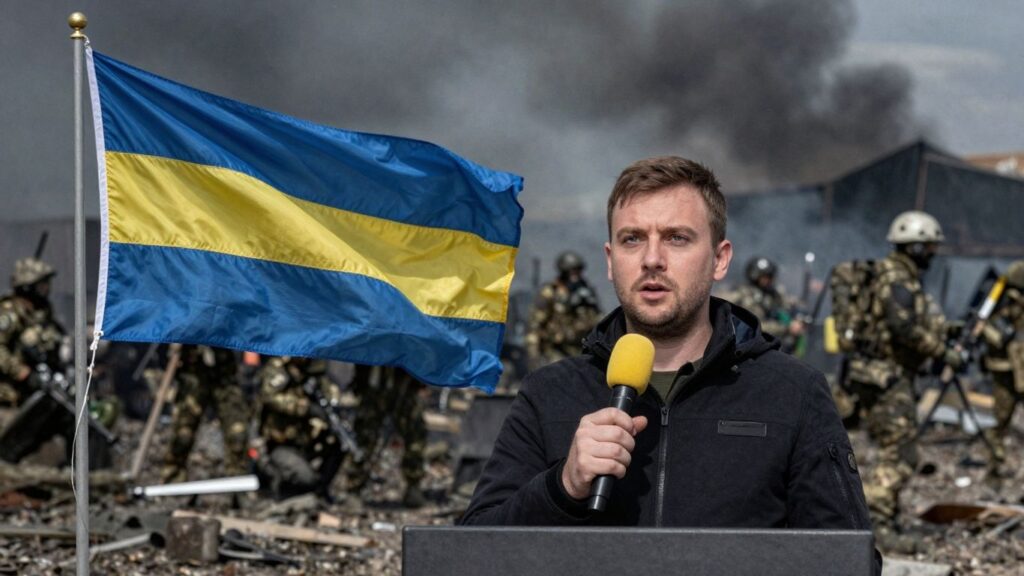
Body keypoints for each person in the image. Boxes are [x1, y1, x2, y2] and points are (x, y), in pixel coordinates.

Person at [460, 156, 876, 570]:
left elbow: (850, 562)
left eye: (677, 238)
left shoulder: (793, 393)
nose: (652, 259)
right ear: (609, 260)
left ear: (720, 258)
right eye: (632, 239)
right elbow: (468, 556)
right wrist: (561, 486)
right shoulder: (548, 394)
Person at [839, 210, 962, 550]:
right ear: (916, 248)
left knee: (891, 450)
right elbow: (902, 327)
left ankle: (881, 520)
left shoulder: (893, 275)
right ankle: (877, 529)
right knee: (901, 454)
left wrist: (945, 331)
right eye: (929, 247)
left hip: (876, 374)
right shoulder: (897, 279)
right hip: (886, 376)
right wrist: (942, 351)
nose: (933, 254)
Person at [254, 356, 345, 500]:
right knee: (306, 478)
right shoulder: (280, 365)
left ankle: (319, 491)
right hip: (280, 443)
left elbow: (329, 389)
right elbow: (269, 396)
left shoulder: (314, 368)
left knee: (339, 443)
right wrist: (305, 408)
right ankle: (276, 485)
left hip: (306, 442)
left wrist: (329, 411)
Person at [161, 345, 249, 483]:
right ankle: (172, 478)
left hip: (223, 375)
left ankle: (239, 481)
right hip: (195, 375)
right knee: (183, 434)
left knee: (237, 433)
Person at [346, 364, 427, 508]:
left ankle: (413, 484)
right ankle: (354, 488)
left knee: (415, 435)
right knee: (364, 437)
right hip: (375, 381)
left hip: (405, 381)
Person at [980, 260, 1024, 478]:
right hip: (1005, 368)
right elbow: (984, 325)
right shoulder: (1003, 294)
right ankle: (994, 465)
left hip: (1017, 365)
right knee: (1001, 417)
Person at [0, 258, 64, 407]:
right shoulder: (10, 312)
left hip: (38, 395)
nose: (47, 289)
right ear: (28, 286)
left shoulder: (43, 314)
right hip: (8, 398)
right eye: (42, 285)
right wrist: (21, 372)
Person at [525, 251, 602, 369]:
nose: (576, 276)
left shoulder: (585, 292)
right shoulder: (551, 292)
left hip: (581, 349)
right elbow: (534, 327)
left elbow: (598, 319)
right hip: (556, 350)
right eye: (572, 272)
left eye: (578, 271)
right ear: (564, 272)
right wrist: (534, 357)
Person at [721, 256, 805, 354]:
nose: (769, 280)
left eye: (770, 277)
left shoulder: (772, 293)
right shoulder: (744, 296)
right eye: (765, 277)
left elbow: (788, 303)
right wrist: (786, 328)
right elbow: (757, 326)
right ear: (754, 275)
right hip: (748, 347)